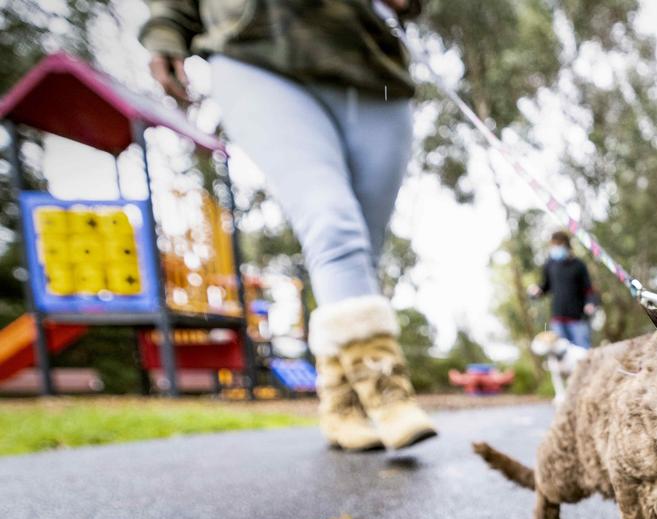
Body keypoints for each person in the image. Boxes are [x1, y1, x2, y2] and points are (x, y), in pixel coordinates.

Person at [140, 0, 437, 452]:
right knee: (332, 221)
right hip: (257, 50)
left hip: (371, 64)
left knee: (364, 253)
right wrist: (165, 34)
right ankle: (385, 391)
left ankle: (342, 404)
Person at [530, 231, 598, 349]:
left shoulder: (579, 265)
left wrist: (590, 303)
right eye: (553, 245)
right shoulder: (549, 264)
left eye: (558, 245)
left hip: (578, 319)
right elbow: (545, 286)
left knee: (583, 352)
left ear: (566, 245)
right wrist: (536, 291)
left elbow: (588, 289)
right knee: (562, 356)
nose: (555, 248)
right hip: (558, 320)